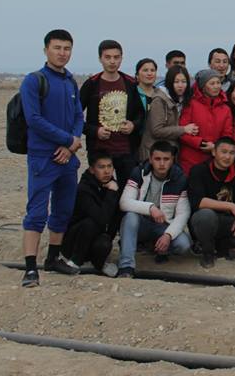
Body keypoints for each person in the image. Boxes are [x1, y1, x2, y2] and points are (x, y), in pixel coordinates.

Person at [117, 140, 192, 277]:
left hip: (163, 225)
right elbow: (124, 202)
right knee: (130, 217)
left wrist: (168, 235)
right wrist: (150, 208)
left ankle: (157, 247)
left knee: (183, 244)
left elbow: (183, 214)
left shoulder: (180, 179)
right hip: (141, 222)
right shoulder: (139, 173)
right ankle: (126, 266)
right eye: (157, 159)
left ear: (172, 160)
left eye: (166, 159)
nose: (162, 163)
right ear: (151, 159)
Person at [188, 137, 235, 268]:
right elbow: (198, 202)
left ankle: (221, 246)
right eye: (223, 152)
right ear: (214, 152)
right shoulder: (199, 170)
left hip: (226, 220)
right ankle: (207, 252)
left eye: (232, 153)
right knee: (206, 215)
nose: (227, 157)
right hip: (203, 220)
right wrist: (230, 205)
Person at [81, 39, 145, 188]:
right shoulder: (92, 84)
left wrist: (133, 125)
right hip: (99, 150)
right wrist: (95, 131)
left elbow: (141, 114)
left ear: (122, 58)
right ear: (100, 59)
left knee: (128, 190)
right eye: (107, 57)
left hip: (126, 150)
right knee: (100, 190)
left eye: (116, 57)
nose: (112, 61)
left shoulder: (130, 83)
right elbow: (75, 116)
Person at [60, 153, 120, 277]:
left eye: (109, 166)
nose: (107, 171)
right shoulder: (84, 189)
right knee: (91, 222)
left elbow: (114, 218)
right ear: (92, 170)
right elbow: (101, 218)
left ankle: (99, 264)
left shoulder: (112, 185)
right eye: (101, 167)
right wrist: (111, 193)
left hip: (95, 238)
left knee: (104, 243)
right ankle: (75, 261)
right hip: (74, 241)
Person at [177, 70, 234, 176]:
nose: (216, 86)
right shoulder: (190, 104)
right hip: (190, 159)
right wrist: (201, 143)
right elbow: (182, 132)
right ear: (203, 87)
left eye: (218, 83)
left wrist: (215, 147)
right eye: (212, 83)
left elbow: (227, 134)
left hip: (215, 160)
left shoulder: (225, 109)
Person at [139, 64, 196, 160]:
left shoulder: (183, 100)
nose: (180, 85)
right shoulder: (159, 100)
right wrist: (183, 129)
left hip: (171, 152)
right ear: (169, 82)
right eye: (176, 82)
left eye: (184, 81)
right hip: (153, 153)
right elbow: (157, 130)